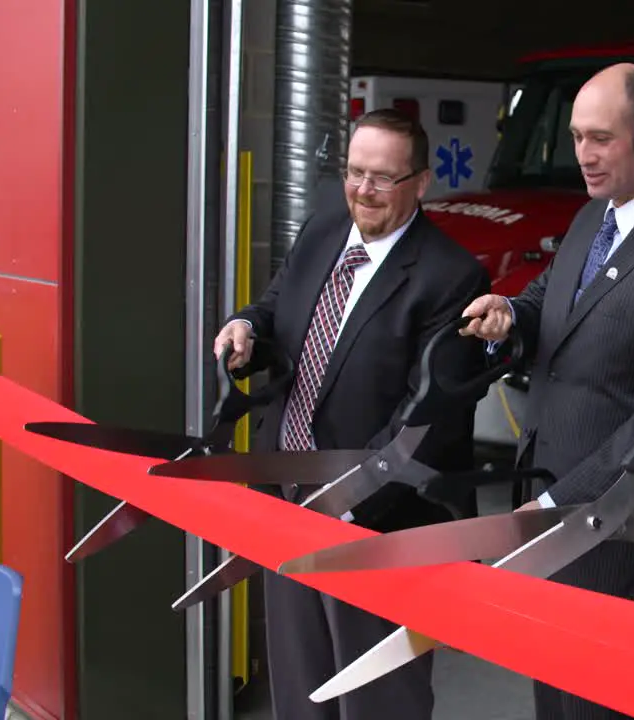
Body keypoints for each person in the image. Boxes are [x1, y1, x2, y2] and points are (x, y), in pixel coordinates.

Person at [459, 62, 634, 719]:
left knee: (594, 705)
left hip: (608, 532)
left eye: (601, 139)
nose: (582, 155)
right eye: (577, 137)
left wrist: (556, 501)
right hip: (548, 512)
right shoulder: (591, 219)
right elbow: (545, 303)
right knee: (549, 700)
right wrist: (510, 319)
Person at [213, 109, 490, 720]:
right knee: (300, 682)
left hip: (379, 521)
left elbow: (430, 422)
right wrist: (245, 327)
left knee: (377, 699)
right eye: (355, 173)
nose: (363, 190)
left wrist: (349, 498)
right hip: (286, 497)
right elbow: (276, 307)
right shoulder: (322, 229)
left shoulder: (452, 276)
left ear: (420, 183)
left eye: (382, 178)